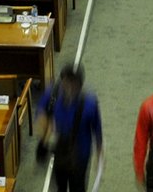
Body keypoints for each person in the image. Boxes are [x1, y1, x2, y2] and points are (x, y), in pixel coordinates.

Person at [36, 64, 103, 192]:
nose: (70, 86)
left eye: (75, 83)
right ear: (62, 81)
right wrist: (45, 134)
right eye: (67, 81)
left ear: (80, 84)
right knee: (59, 186)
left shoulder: (90, 103)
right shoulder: (52, 95)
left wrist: (100, 157)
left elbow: (97, 132)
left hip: (81, 156)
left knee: (77, 187)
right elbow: (40, 115)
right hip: (58, 152)